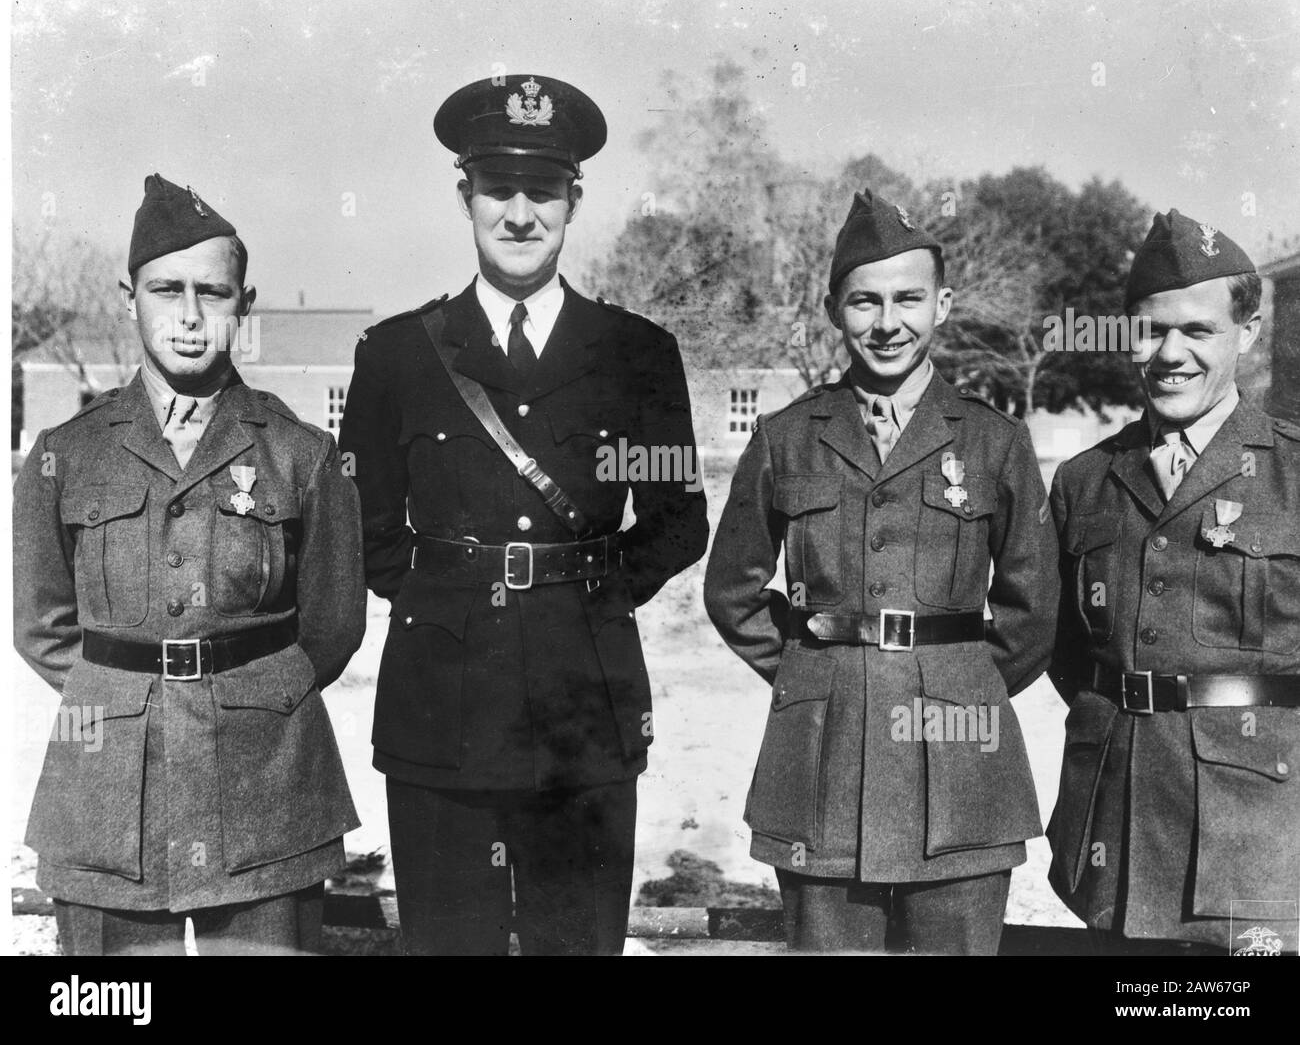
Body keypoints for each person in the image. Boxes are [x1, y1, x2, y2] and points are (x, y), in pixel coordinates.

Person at [338, 74, 708, 956]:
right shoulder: (395, 354)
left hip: (587, 701)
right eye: (498, 189)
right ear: (464, 194)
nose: (519, 214)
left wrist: (586, 589)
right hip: (441, 699)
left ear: (573, 200)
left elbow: (676, 517)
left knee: (575, 941)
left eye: (542, 190)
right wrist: (454, 595)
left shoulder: (637, 353)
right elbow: (367, 528)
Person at [12, 174, 366, 956]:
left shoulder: (301, 454)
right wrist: (123, 697)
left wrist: (249, 698)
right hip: (108, 799)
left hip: (267, 792)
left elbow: (334, 626)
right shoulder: (63, 456)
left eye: (213, 291)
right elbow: (41, 627)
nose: (190, 314)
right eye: (166, 289)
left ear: (245, 303)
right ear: (127, 297)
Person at [704, 189, 1058, 954]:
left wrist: (957, 684)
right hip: (820, 761)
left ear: (943, 305)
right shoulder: (786, 437)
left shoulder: (996, 441)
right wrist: (815, 671)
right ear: (834, 308)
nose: (887, 322)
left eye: (908, 299)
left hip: (963, 768)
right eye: (864, 301)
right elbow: (732, 590)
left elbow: (1033, 612)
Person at [1047, 209, 1299, 955]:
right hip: (1118, 825)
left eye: (1198, 331)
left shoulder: (1293, 472)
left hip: (1258, 833)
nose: (1170, 354)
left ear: (1247, 333)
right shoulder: (1085, 480)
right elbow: (1066, 653)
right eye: (1151, 330)